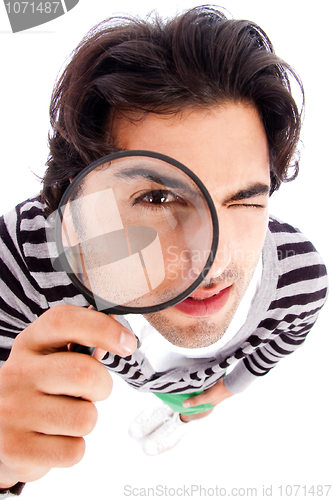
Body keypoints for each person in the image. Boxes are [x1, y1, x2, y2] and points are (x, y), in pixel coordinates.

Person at [0, 5, 328, 496]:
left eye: (243, 198)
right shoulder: (23, 261)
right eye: (157, 198)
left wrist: (215, 396)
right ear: (80, 203)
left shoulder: (301, 285)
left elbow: (276, 347)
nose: (211, 266)